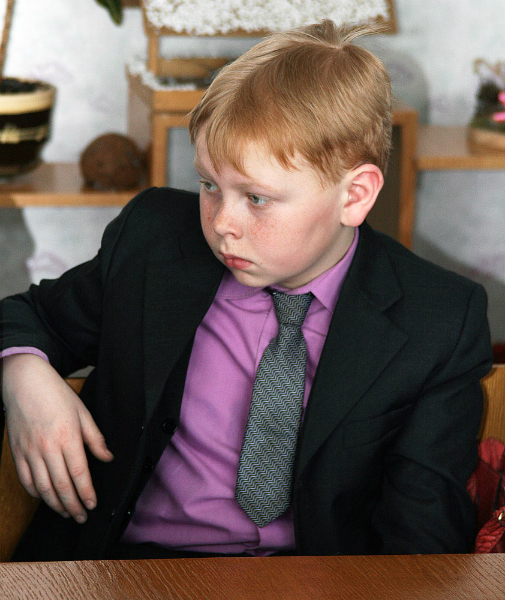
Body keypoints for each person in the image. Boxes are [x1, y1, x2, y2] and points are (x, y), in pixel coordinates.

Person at [0, 20, 492, 561]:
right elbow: (28, 317)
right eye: (209, 185)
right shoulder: (154, 243)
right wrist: (23, 376)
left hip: (320, 583)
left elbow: (421, 542)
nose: (222, 224)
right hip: (126, 567)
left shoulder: (438, 320)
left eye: (256, 198)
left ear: (355, 195)